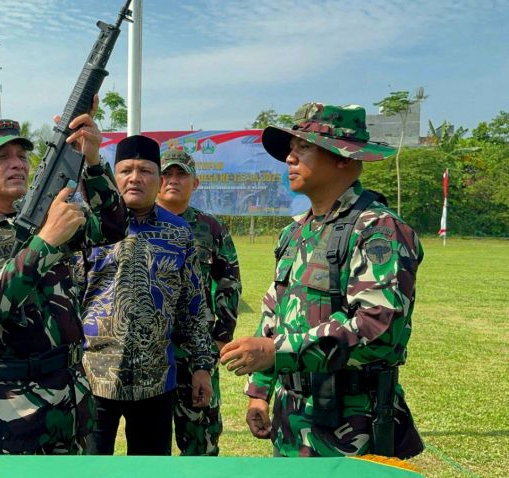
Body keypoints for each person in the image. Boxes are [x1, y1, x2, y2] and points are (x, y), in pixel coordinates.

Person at [221, 102, 425, 458]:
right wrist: (259, 392)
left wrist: (275, 353)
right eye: (291, 148)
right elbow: (275, 312)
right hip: (291, 422)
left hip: (351, 428)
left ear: (343, 157)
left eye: (303, 147)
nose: (290, 158)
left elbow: (378, 329)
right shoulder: (295, 232)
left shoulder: (378, 229)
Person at [0, 105, 127, 454]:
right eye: (1, 157)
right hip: (9, 410)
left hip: (69, 400)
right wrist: (46, 242)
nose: (17, 164)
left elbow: (112, 227)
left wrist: (93, 160)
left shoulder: (48, 218)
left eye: (22, 155)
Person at [80, 135, 215, 456]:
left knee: (151, 470)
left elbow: (193, 307)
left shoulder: (178, 232)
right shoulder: (87, 227)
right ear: (113, 177)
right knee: (89, 471)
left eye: (145, 171)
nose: (135, 178)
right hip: (92, 379)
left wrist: (202, 366)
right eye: (126, 170)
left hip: (156, 381)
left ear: (159, 180)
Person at [156, 147, 242, 456]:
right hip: (151, 352)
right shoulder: (138, 224)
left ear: (195, 183)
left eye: (181, 174)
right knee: (150, 445)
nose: (172, 180)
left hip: (197, 353)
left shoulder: (210, 227)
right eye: (166, 174)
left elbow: (230, 282)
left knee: (201, 442)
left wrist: (221, 338)